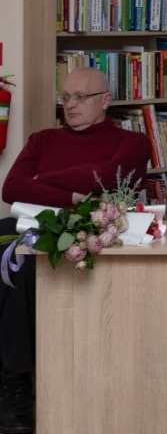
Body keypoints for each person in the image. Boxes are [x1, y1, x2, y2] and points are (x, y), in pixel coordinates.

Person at [0, 66, 151, 434]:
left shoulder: (133, 143)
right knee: (6, 245)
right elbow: (10, 189)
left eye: (81, 97)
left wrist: (40, 181)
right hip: (33, 224)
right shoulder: (42, 140)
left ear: (105, 100)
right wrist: (70, 195)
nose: (70, 105)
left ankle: (25, 380)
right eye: (65, 97)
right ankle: (13, 380)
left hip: (96, 231)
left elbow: (106, 177)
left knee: (28, 263)